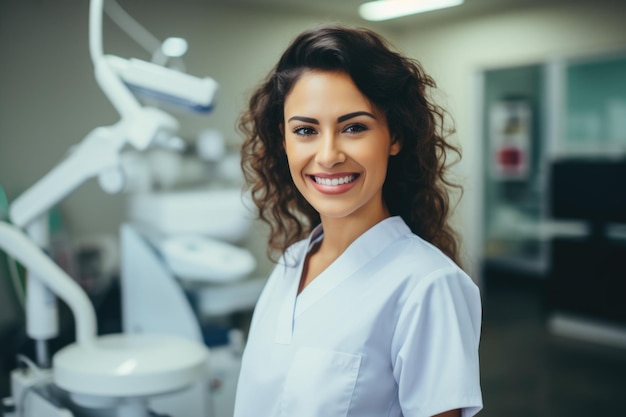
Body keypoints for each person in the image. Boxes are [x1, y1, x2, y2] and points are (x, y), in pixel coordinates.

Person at [234, 25, 482, 417]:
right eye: (305, 130)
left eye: (354, 127)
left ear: (394, 136)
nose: (328, 155)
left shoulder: (428, 286)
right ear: (284, 141)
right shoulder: (291, 263)